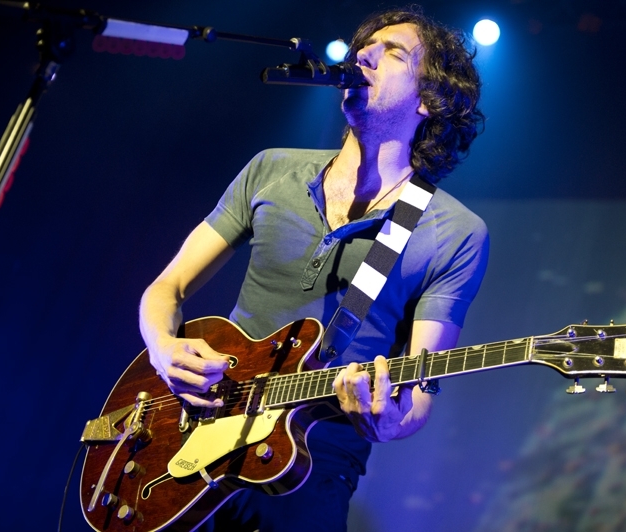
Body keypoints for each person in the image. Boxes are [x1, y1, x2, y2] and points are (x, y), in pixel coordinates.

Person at [139, 6, 488, 531]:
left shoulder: (454, 232)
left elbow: (417, 397)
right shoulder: (271, 168)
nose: (364, 53)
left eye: (392, 51)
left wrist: (387, 421)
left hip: (311, 462)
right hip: (191, 429)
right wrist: (164, 352)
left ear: (428, 99)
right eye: (363, 46)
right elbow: (166, 288)